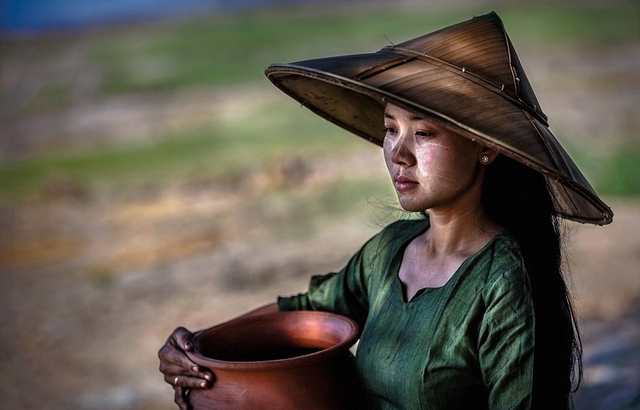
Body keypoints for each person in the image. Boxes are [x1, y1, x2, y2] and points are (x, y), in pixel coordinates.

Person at [158, 12, 613, 410]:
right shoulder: (391, 249)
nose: (398, 153)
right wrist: (197, 349)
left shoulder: (507, 286)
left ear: (487, 148)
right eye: (390, 129)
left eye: (425, 133)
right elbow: (300, 317)